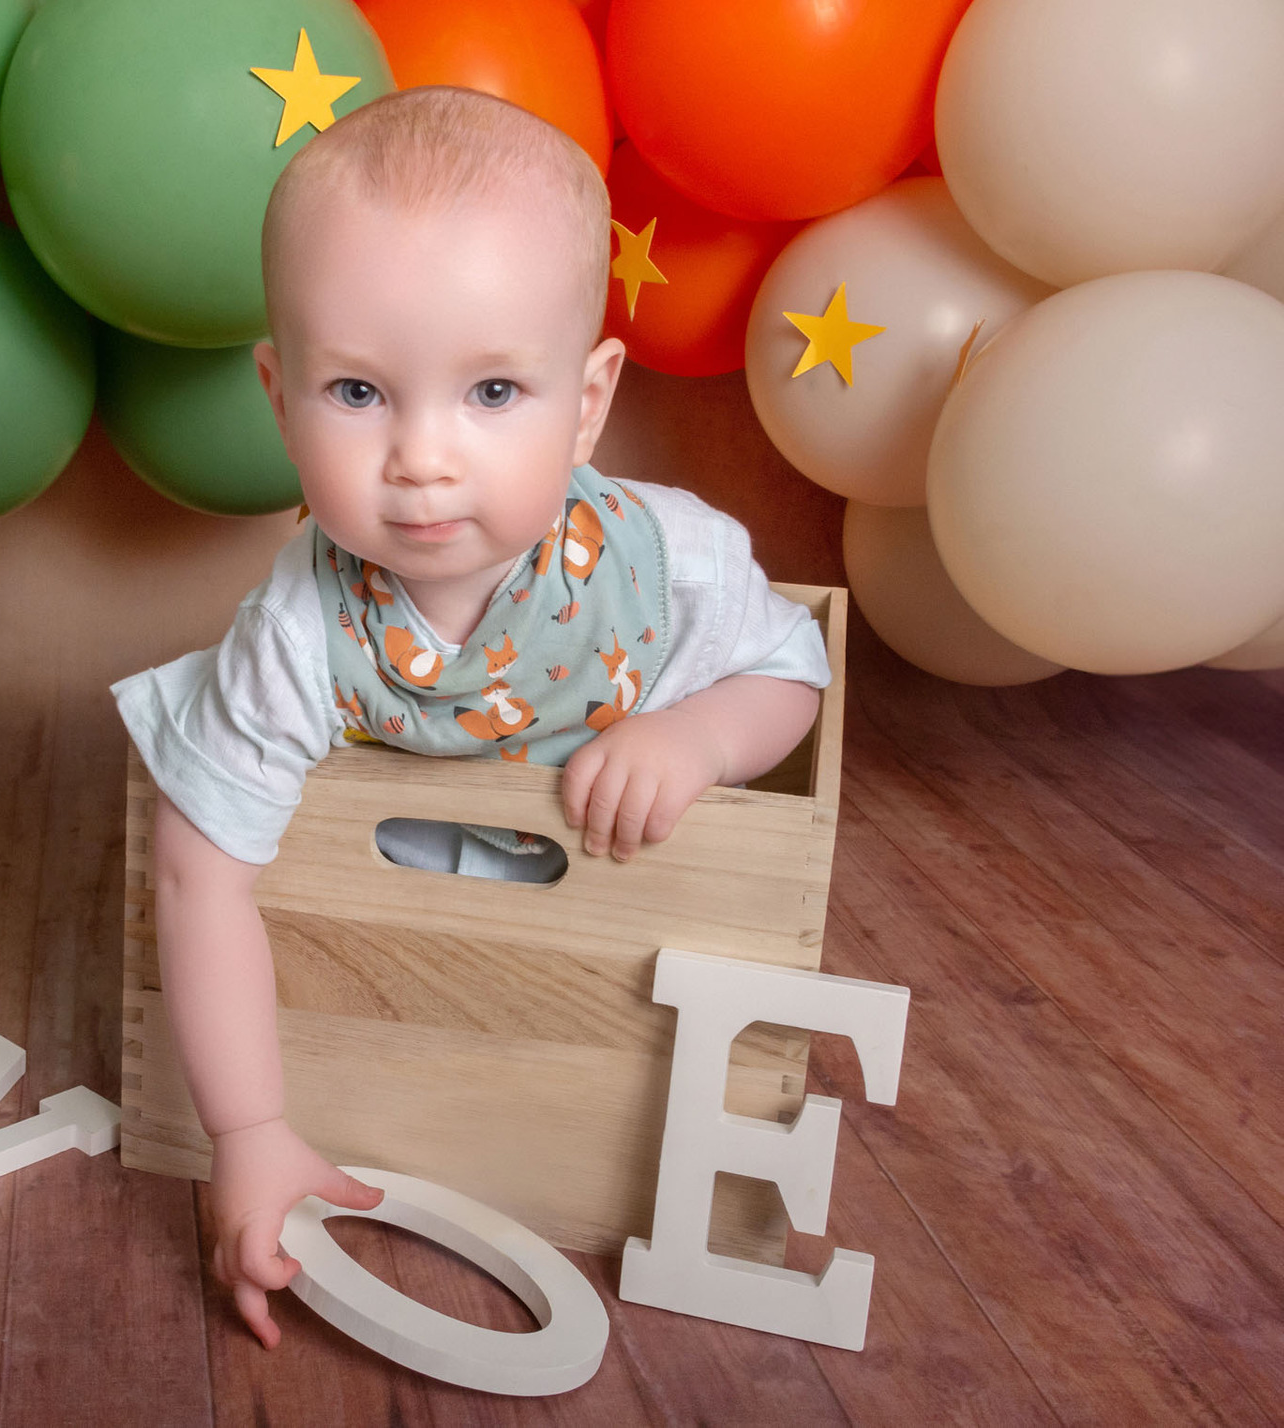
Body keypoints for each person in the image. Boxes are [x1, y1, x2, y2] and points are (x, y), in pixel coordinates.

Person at [110, 86, 831, 1350]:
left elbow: (798, 676)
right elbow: (197, 875)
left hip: (604, 975)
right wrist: (250, 1129)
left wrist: (697, 737)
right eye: (357, 393)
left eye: (494, 392)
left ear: (590, 398)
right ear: (278, 396)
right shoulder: (296, 632)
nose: (423, 458)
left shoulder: (665, 571)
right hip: (389, 996)